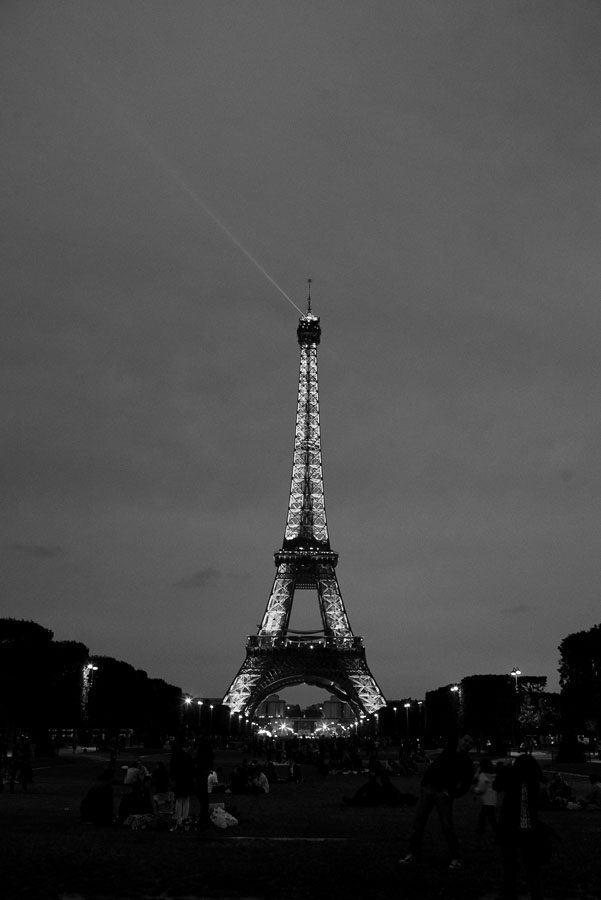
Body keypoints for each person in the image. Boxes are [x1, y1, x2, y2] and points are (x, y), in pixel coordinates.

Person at [399, 733, 474, 870]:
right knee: (418, 823)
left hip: (442, 793)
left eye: (470, 743)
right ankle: (413, 853)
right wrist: (425, 784)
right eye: (466, 740)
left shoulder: (466, 762)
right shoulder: (449, 751)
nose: (467, 744)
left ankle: (455, 857)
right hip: (430, 788)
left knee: (446, 826)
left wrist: (451, 793)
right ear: (459, 739)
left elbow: (466, 784)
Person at [494, 752, 551, 900]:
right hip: (529, 827)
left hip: (510, 826)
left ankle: (510, 893)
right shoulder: (534, 782)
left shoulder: (512, 778)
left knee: (509, 864)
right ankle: (537, 894)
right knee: (532, 867)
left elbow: (497, 785)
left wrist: (504, 769)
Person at [169, 743, 195, 830]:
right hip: (187, 780)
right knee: (186, 800)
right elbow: (192, 768)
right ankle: (184, 818)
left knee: (179, 800)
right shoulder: (187, 756)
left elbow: (172, 769)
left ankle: (178, 819)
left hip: (179, 780)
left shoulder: (175, 756)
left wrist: (173, 778)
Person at [473, 758, 498, 835]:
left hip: (486, 799)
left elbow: (481, 788)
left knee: (486, 816)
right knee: (488, 815)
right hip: (492, 798)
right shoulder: (493, 775)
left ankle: (481, 830)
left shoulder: (482, 775)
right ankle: (482, 830)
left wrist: (476, 790)